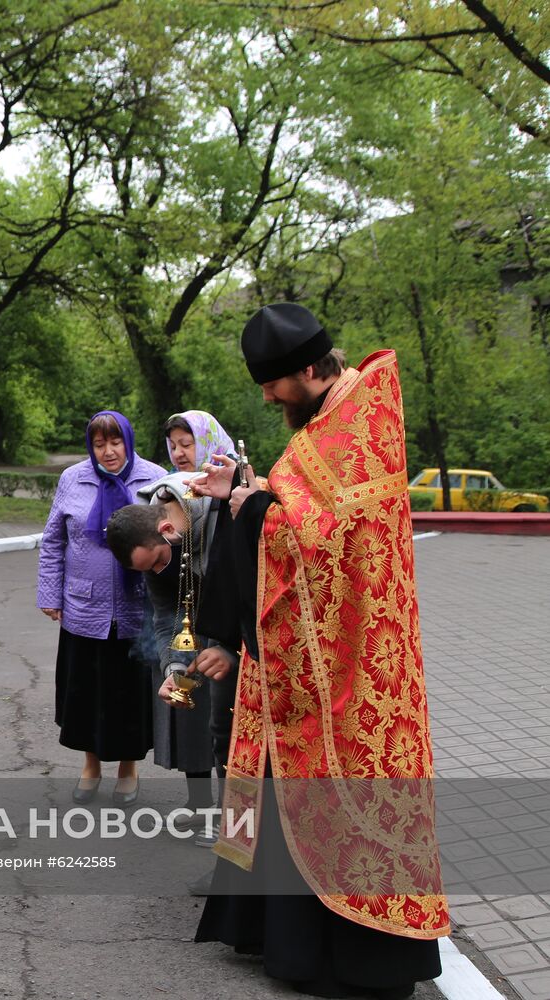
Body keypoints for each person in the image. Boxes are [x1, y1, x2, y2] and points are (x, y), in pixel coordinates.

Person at [187, 303, 447, 997]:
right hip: (305, 653)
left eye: (274, 386)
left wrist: (257, 509)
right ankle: (272, 935)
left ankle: (353, 959)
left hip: (353, 663)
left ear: (308, 369)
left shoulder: (359, 423)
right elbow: (305, 513)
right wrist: (244, 495)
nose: (268, 398)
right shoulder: (328, 420)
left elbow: (329, 541)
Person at [36, 411, 164, 805]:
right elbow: (54, 541)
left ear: (128, 440)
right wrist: (49, 593)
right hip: (83, 607)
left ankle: (128, 768)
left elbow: (173, 541)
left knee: (129, 693)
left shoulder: (155, 479)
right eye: (99, 444)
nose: (108, 452)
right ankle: (90, 765)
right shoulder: (73, 479)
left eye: (115, 442)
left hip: (137, 608)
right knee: (86, 691)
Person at [106, 472, 237, 843]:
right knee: (216, 733)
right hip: (211, 641)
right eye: (148, 570)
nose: (158, 572)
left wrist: (229, 648)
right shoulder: (157, 545)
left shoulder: (221, 515)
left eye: (158, 562)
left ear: (167, 528)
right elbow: (167, 615)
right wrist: (174, 667)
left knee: (239, 740)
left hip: (251, 646)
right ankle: (226, 826)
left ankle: (240, 833)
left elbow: (254, 592)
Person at [163, 410, 236, 474]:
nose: (177, 454)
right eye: (173, 447)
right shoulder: (168, 485)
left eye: (186, 444)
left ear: (209, 444)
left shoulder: (239, 479)